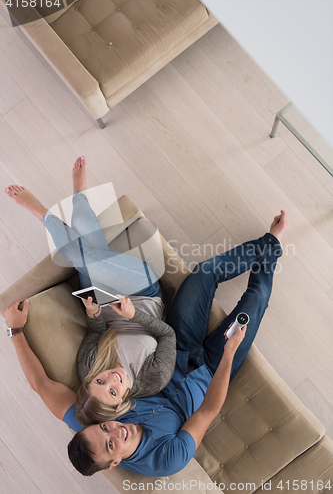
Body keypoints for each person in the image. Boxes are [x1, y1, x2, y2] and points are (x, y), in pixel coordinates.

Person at [5, 200, 287, 477]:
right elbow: (209, 411)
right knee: (257, 298)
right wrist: (228, 354)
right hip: (214, 370)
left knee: (203, 274)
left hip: (175, 345)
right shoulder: (165, 460)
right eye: (111, 443)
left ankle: (269, 243)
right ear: (114, 462)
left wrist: (15, 331)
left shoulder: (93, 420)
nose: (115, 429)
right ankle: (274, 246)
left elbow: (40, 385)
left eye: (105, 428)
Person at [4, 157, 177, 422]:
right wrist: (133, 316)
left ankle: (73, 197)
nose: (110, 378)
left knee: (89, 258)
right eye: (112, 391)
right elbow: (167, 335)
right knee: (89, 259)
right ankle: (53, 207)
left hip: (105, 301)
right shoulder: (153, 379)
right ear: (120, 405)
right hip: (143, 292)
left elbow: (97, 331)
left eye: (99, 380)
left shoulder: (87, 367)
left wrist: (94, 314)